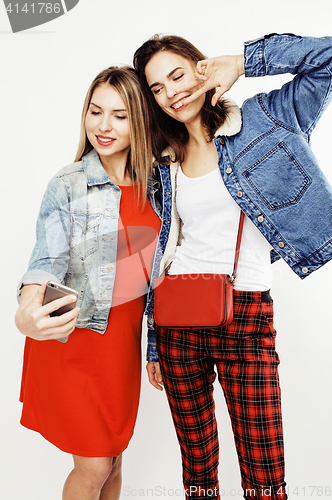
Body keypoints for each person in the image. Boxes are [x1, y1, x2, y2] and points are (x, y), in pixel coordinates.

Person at [133, 33, 332, 500]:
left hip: (246, 317)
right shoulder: (163, 161)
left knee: (265, 478)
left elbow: (328, 58)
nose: (171, 93)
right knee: (198, 477)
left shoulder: (267, 118)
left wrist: (243, 62)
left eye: (177, 75)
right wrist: (155, 343)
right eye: (157, 88)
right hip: (176, 321)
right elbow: (160, 252)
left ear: (202, 70)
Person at [15, 66, 161, 500]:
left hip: (121, 347)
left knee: (113, 460)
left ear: (140, 120)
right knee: (94, 466)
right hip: (74, 343)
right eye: (95, 112)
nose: (103, 125)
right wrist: (27, 311)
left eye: (119, 115)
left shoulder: (162, 185)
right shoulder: (69, 183)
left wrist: (154, 346)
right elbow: (45, 259)